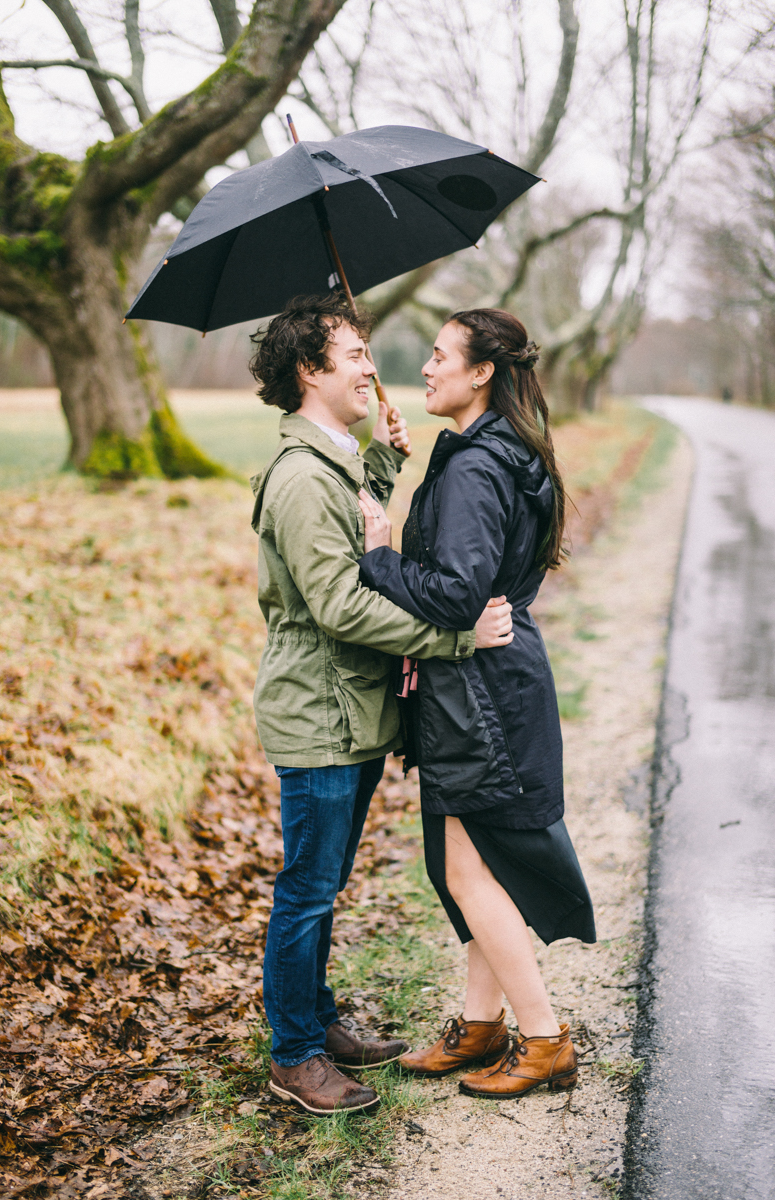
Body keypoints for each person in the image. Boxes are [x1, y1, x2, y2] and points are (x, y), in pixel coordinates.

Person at [248, 295, 514, 1116]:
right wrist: (457, 636)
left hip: (352, 712)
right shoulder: (298, 477)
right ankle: (293, 1054)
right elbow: (339, 603)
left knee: (323, 884)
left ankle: (319, 1021)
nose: (371, 366)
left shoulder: (333, 458)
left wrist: (389, 461)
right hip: (319, 716)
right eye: (353, 352)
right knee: (306, 888)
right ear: (308, 369)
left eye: (367, 351)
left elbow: (355, 524)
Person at [357, 308, 596, 1101]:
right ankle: (481, 1024)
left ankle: (545, 1039)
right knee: (482, 867)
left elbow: (458, 594)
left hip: (480, 698)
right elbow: (476, 582)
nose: (424, 369)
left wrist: (383, 557)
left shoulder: (473, 465)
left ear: (481, 371)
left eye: (437, 356)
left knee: (467, 872)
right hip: (495, 684)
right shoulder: (505, 450)